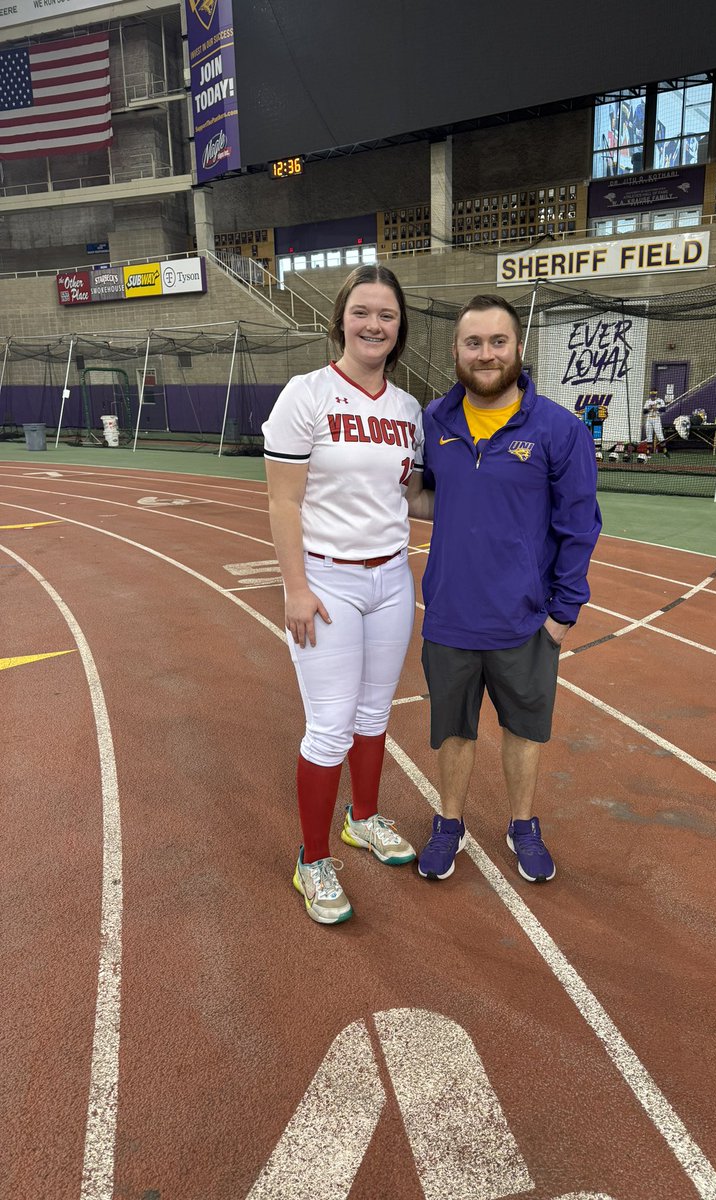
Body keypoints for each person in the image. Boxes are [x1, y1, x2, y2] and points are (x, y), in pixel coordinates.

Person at [262, 264, 430, 926]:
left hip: (391, 578)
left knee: (373, 713)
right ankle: (312, 858)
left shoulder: (408, 410)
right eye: (362, 311)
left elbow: (410, 496)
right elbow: (283, 501)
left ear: (399, 328)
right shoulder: (306, 395)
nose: (373, 325)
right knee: (330, 725)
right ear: (341, 320)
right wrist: (295, 588)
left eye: (386, 315)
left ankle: (363, 818)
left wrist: (492, 500)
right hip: (326, 579)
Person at [416, 295, 602, 884]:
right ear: (456, 351)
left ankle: (522, 825)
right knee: (452, 730)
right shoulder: (434, 421)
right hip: (450, 615)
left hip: (524, 620)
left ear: (518, 348)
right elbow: (422, 495)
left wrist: (562, 613)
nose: (486, 354)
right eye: (473, 343)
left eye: (498, 342)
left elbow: (579, 525)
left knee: (523, 730)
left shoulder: (559, 429)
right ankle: (449, 823)